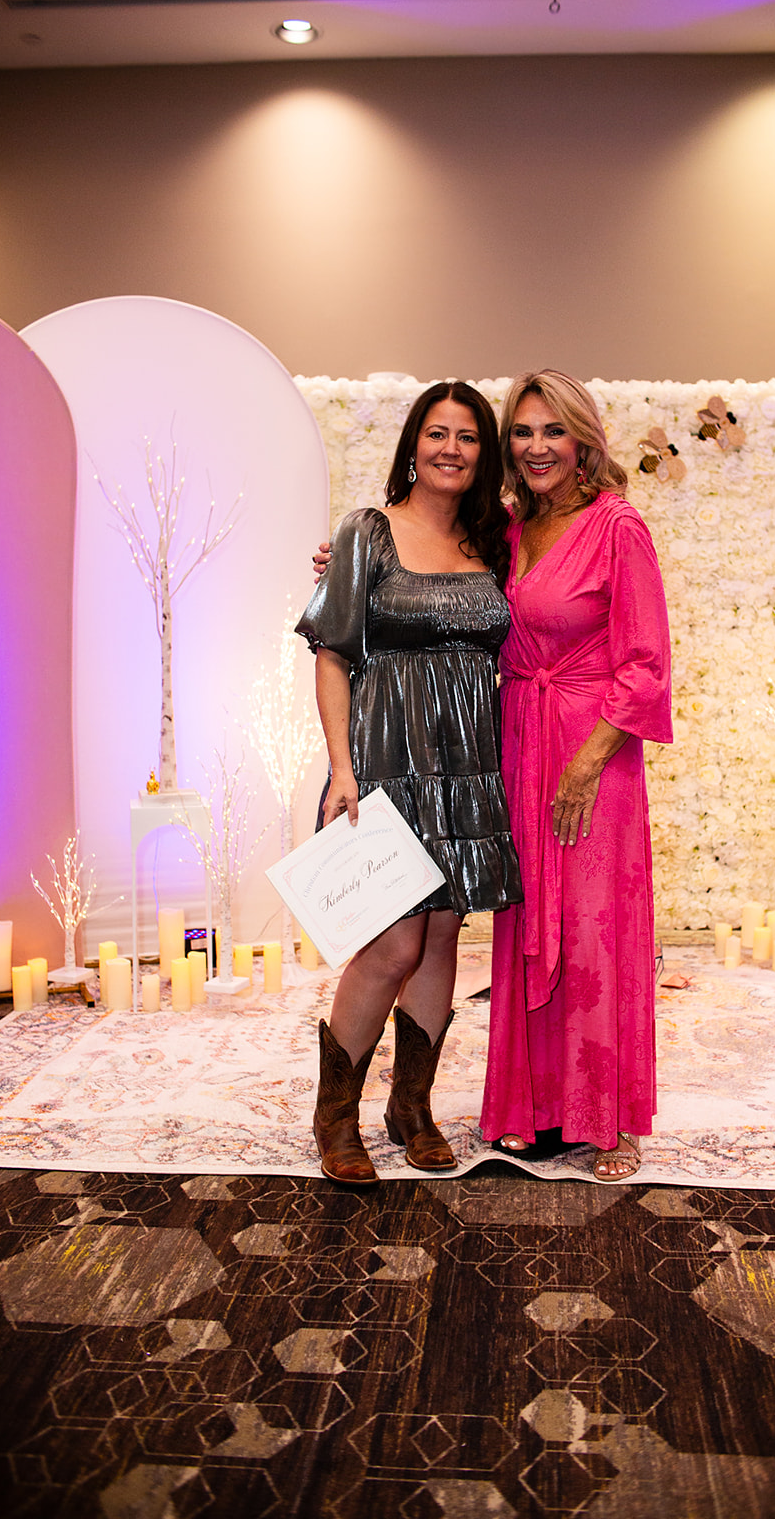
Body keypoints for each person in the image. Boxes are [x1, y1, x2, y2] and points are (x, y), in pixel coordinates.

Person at [296, 381, 522, 1185]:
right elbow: (331, 653)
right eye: (437, 433)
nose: (451, 449)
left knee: (443, 934)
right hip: (386, 756)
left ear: (484, 454)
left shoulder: (495, 545)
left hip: (467, 762)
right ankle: (335, 1117)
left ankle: (411, 1108)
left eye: (468, 436)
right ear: (413, 445)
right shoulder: (366, 532)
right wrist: (342, 769)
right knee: (392, 942)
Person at [479, 370, 672, 1181]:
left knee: (594, 929)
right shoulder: (509, 527)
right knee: (528, 919)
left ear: (583, 439)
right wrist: (344, 561)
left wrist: (587, 765)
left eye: (553, 430)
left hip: (593, 751)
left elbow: (646, 662)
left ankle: (609, 1118)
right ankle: (534, 1106)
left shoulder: (617, 526)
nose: (537, 447)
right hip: (522, 740)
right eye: (523, 432)